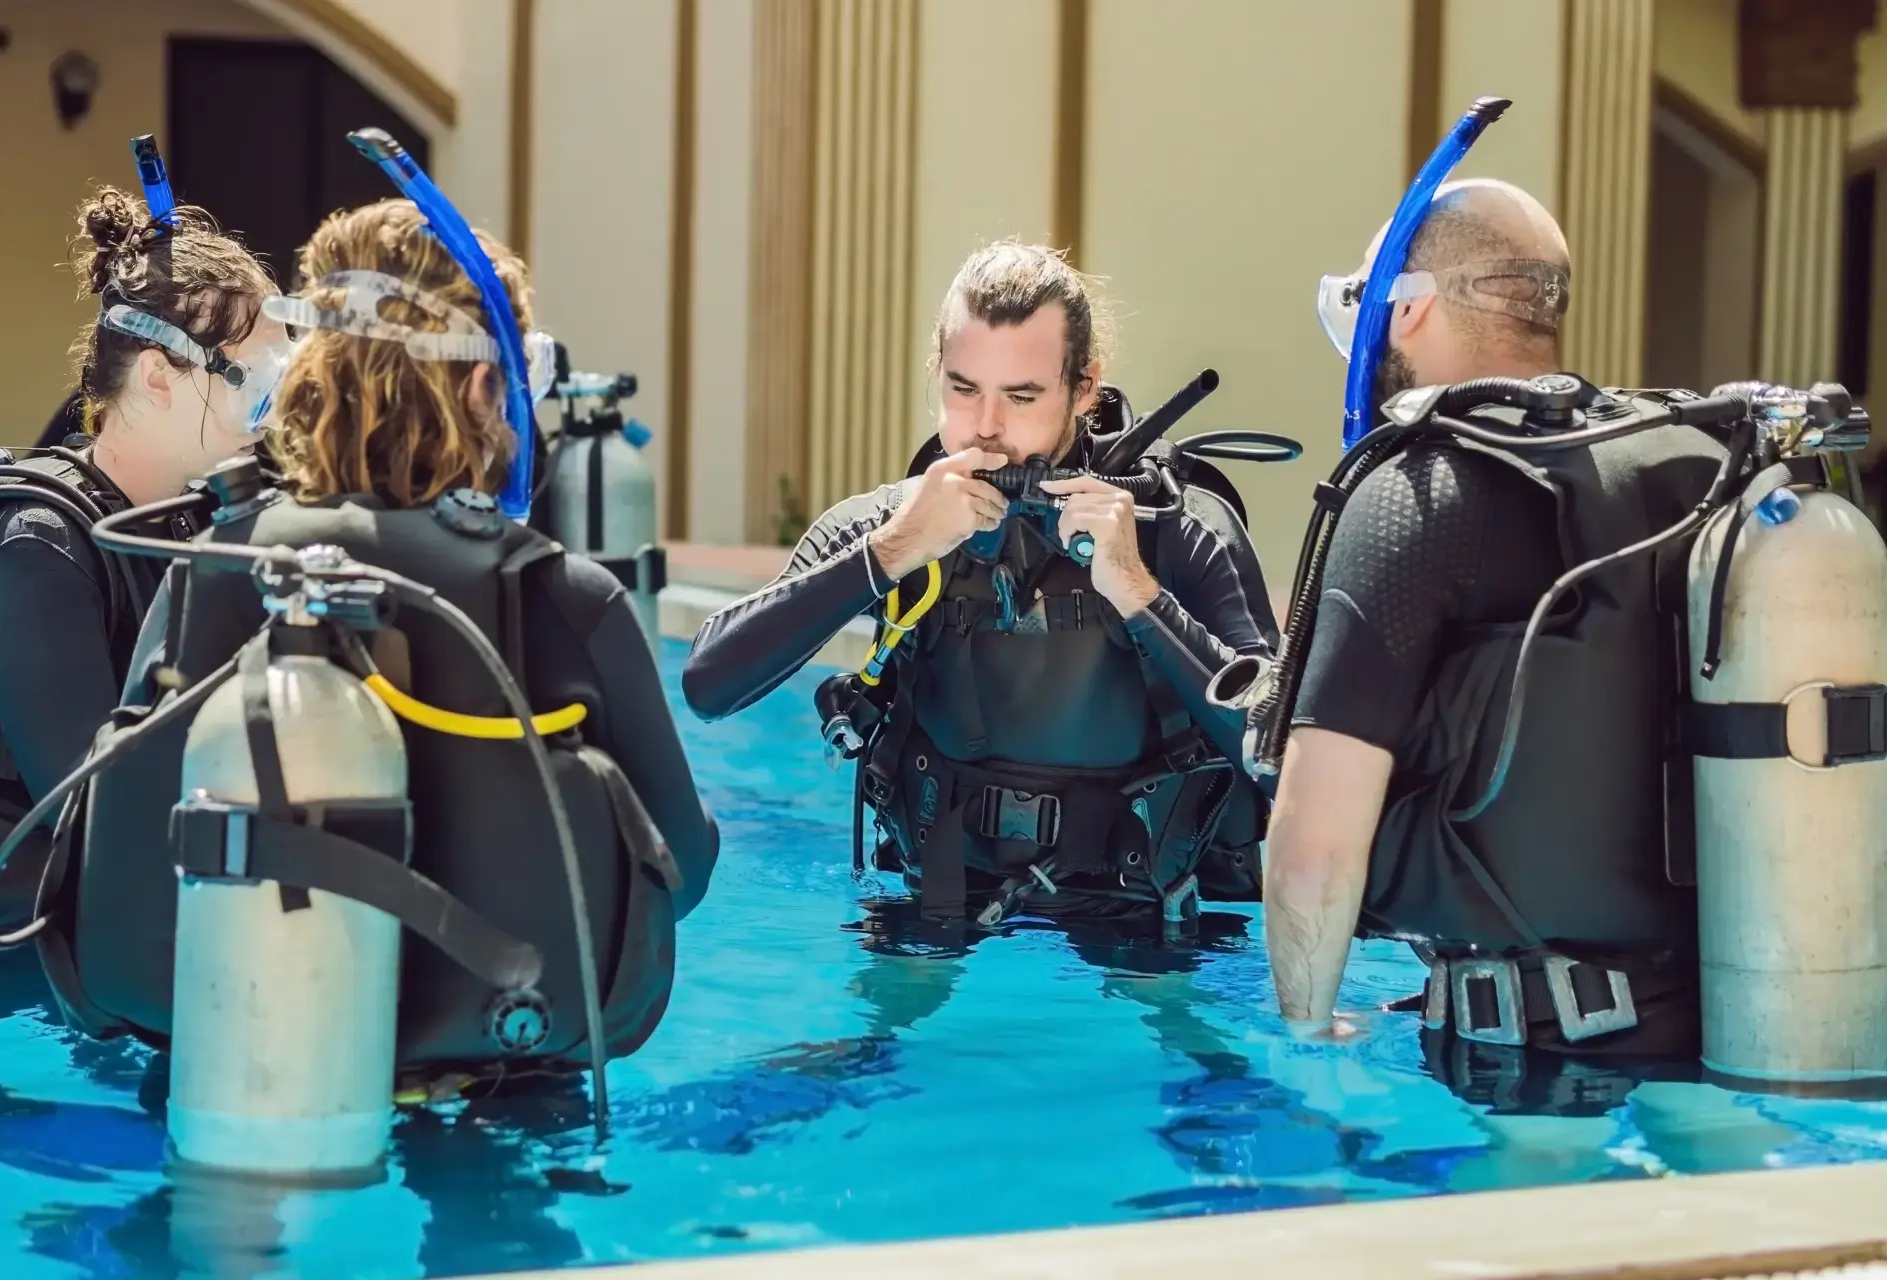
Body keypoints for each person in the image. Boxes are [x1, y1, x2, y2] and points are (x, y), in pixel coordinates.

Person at [32, 193, 720, 1091]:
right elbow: (684, 864)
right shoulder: (566, 597)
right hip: (502, 1081)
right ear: (485, 385)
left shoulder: (213, 570)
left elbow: (105, 854)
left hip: (249, 1079)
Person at [1257, 178, 1722, 1098]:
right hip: (1721, 1032)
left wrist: (1306, 1040)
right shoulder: (1691, 462)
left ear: (1413, 305)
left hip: (1529, 1066)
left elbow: (1314, 843)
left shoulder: (1414, 497)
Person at [684, 240, 1277, 929]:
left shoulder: (1177, 529)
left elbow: (1285, 756)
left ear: (1084, 388)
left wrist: (1141, 595)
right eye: (963, 389)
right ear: (936, 372)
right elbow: (707, 686)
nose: (987, 428)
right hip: (933, 898)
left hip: (1141, 919)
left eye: (1021, 397)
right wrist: (893, 551)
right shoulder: (891, 522)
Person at [0, 185, 281, 927]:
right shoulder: (41, 547)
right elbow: (90, 812)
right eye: (259, 390)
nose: (271, 420)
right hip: (25, 968)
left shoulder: (204, 521)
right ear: (159, 376)